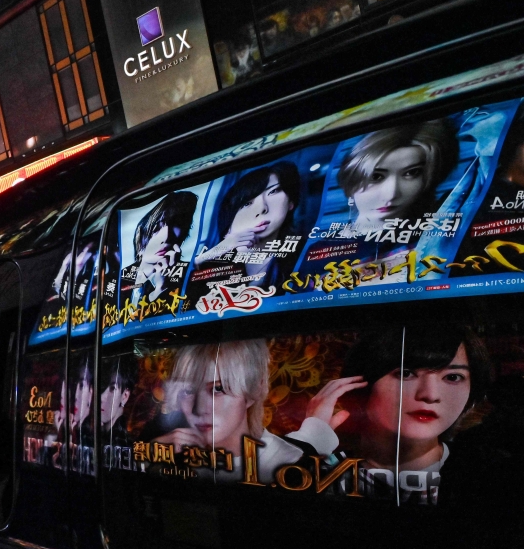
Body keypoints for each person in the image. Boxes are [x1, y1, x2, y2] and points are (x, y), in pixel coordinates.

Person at [301, 326, 490, 501]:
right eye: (405, 373)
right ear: (360, 383)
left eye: (453, 377)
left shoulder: (490, 474)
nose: (430, 395)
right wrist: (306, 443)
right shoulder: (311, 473)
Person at [142, 339, 332, 483]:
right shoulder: (170, 452)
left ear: (254, 391)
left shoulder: (291, 464)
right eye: (188, 391)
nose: (199, 409)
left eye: (218, 389)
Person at [337, 120, 458, 235]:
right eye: (375, 176)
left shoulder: (446, 235)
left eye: (411, 173)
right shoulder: (325, 248)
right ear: (350, 180)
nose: (392, 194)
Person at [193, 162, 301, 288]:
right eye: (246, 204)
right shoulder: (212, 268)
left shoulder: (305, 254)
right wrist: (204, 258)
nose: (262, 208)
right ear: (228, 228)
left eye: (273, 191)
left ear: (290, 203)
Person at [118, 191, 198, 306]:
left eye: (177, 225)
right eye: (157, 228)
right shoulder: (119, 280)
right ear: (141, 238)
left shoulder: (189, 279)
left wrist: (161, 289)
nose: (166, 237)